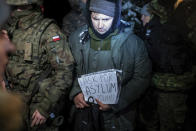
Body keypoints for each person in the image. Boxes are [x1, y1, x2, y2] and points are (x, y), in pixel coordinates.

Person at [69, 0, 151, 130]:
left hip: (118, 118)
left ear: (116, 17)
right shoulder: (77, 39)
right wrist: (75, 93)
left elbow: (142, 77)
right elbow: (68, 71)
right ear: (89, 16)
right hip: (85, 113)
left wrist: (117, 102)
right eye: (95, 18)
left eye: (106, 19)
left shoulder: (133, 43)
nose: (100, 25)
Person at [1, 0, 74, 130]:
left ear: (31, 5)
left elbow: (65, 72)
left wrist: (45, 107)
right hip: (15, 100)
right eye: (15, 7)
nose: (17, 11)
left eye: (21, 7)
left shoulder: (49, 31)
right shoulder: (11, 27)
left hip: (37, 103)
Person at [138, 3, 196, 131]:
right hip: (157, 84)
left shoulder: (162, 30)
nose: (141, 18)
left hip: (172, 85)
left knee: (169, 122)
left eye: (144, 15)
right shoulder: (153, 31)